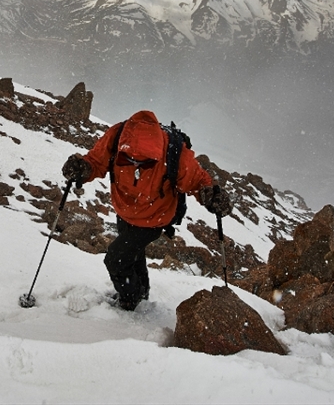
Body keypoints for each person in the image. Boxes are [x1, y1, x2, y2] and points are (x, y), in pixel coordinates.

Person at [61, 110, 231, 310]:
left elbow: (198, 181)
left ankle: (130, 299)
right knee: (133, 253)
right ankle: (142, 292)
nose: (135, 164)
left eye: (144, 162)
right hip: (124, 211)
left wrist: (211, 195)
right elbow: (96, 162)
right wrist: (82, 168)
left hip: (155, 217)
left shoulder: (174, 153)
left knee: (116, 259)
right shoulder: (116, 136)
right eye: (129, 160)